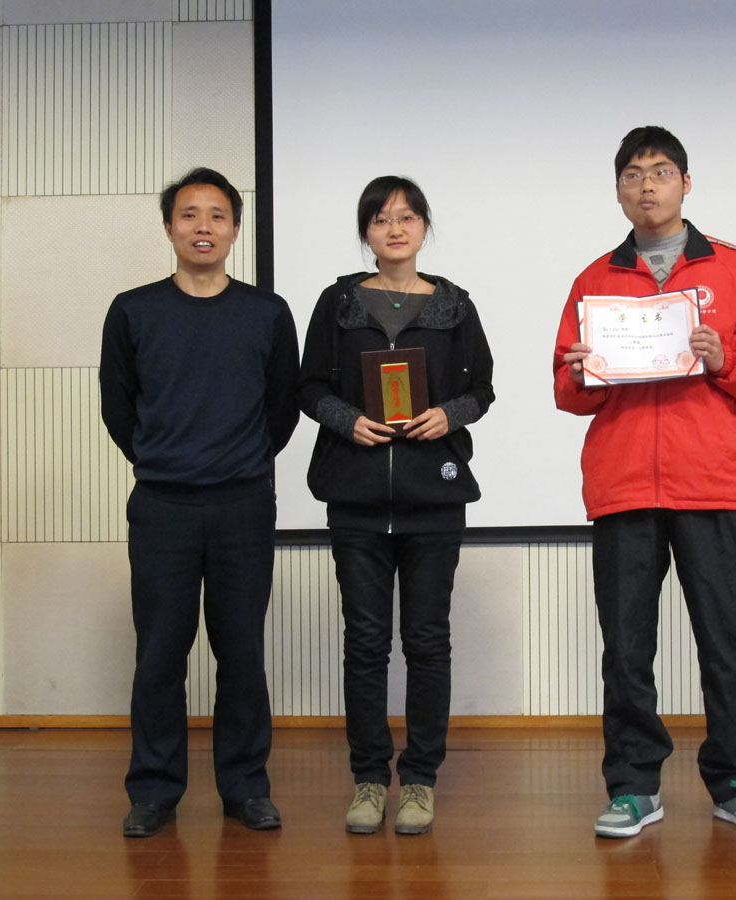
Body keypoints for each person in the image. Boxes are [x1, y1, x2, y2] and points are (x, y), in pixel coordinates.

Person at [553, 126, 736, 838]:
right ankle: (633, 787)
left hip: (713, 484)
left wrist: (725, 358)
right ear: (618, 190)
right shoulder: (595, 280)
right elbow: (567, 391)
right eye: (632, 175)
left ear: (686, 183)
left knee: (728, 641)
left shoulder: (735, 269)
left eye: (660, 172)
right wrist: (580, 372)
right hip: (624, 485)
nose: (647, 186)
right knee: (626, 648)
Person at [100, 167, 299, 838]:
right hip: (163, 506)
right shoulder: (133, 310)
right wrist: (165, 458)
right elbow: (119, 407)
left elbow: (281, 409)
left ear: (236, 229)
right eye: (189, 214)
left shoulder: (267, 312)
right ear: (169, 228)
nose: (203, 226)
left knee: (241, 653)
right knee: (160, 654)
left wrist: (239, 460)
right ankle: (154, 791)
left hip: (244, 503)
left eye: (217, 215)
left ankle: (245, 787)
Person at [297, 176, 494, 835]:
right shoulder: (338, 303)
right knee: (365, 642)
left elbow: (483, 389)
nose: (395, 228)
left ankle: (419, 781)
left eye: (406, 217)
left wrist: (449, 414)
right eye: (381, 219)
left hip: (432, 496)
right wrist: (346, 420)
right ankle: (368, 780)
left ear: (424, 227)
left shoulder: (455, 305)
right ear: (366, 233)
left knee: (427, 640)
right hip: (356, 496)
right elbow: (309, 386)